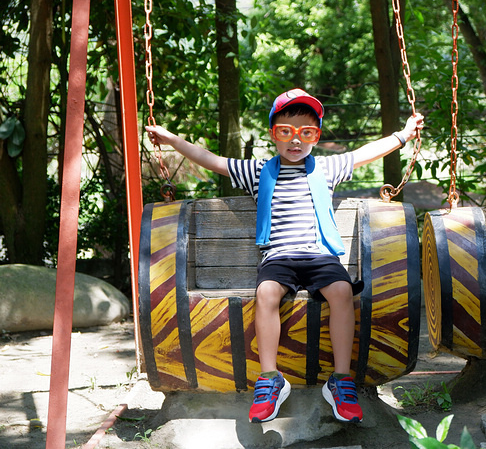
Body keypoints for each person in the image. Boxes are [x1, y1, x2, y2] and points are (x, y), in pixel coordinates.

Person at [145, 88, 424, 424]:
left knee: (341, 292)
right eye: (286, 132)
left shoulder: (326, 167)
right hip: (279, 257)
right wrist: (172, 139)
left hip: (320, 255)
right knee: (266, 293)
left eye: (307, 132)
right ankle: (270, 379)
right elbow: (212, 160)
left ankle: (340, 380)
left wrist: (403, 135)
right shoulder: (258, 170)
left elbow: (367, 152)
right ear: (273, 135)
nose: (296, 141)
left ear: (315, 136)